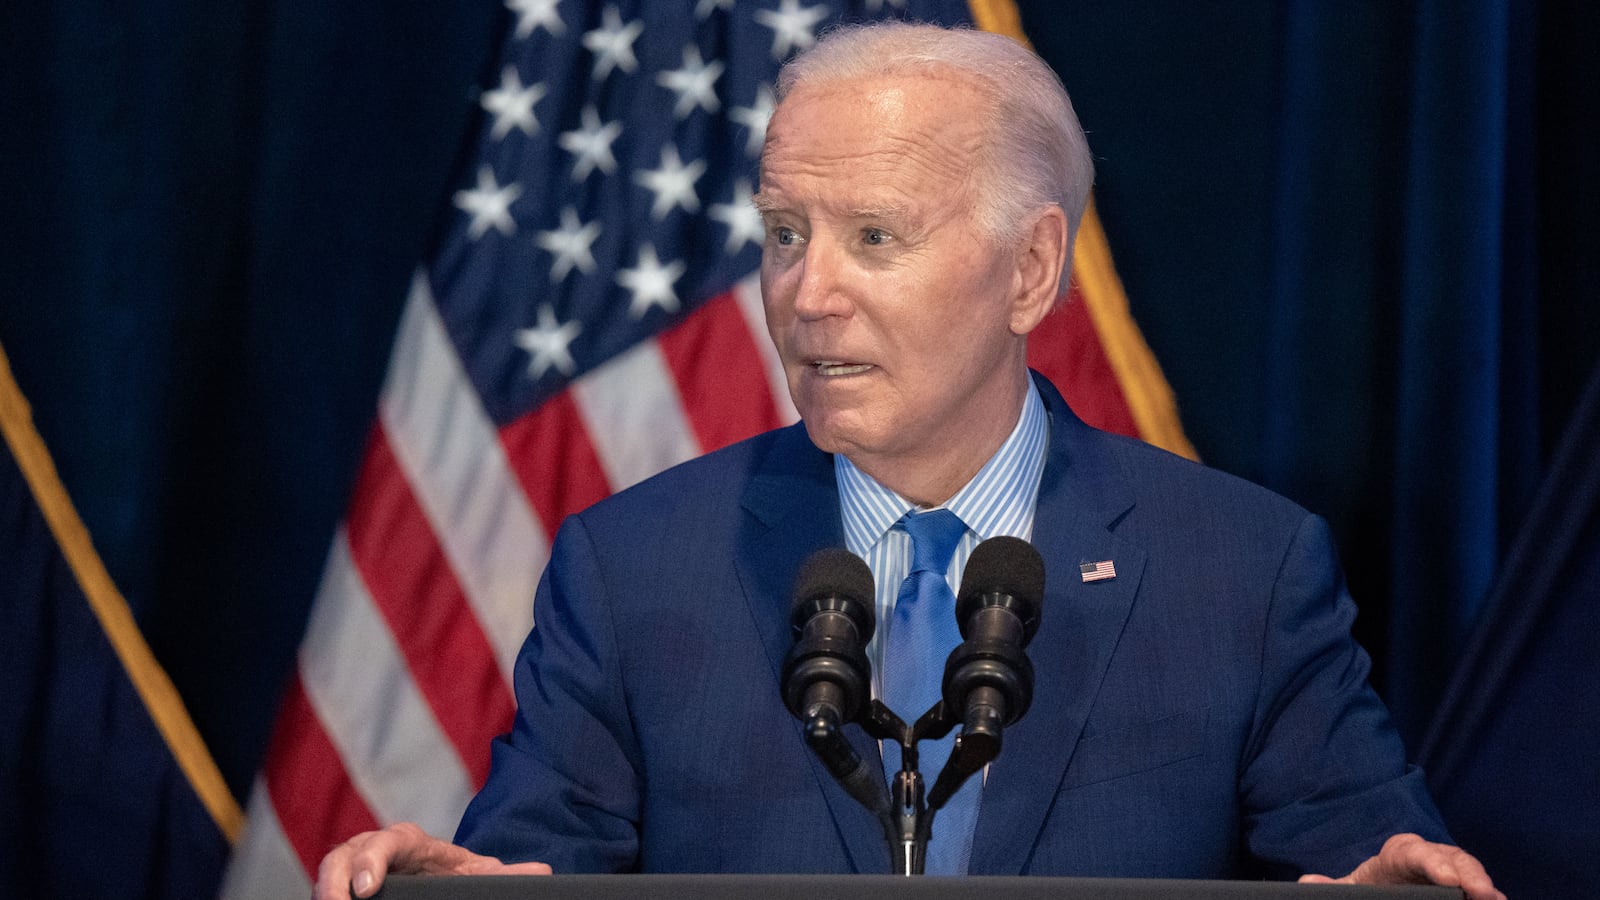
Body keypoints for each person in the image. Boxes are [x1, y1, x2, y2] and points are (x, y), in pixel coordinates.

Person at [315, 22, 1501, 900]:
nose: (805, 294)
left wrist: (1396, 886)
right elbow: (536, 862)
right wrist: (455, 887)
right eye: (785, 235)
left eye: (873, 238)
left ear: (1030, 272)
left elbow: (1367, 863)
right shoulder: (634, 570)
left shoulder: (1241, 573)